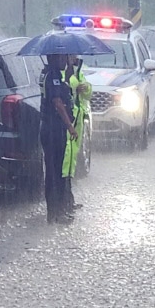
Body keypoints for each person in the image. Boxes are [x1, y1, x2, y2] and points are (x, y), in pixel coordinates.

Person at [39, 53, 78, 223]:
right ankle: (55, 212)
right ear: (55, 58)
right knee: (55, 171)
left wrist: (69, 72)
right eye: (63, 58)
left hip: (50, 128)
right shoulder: (53, 75)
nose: (66, 60)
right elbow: (57, 102)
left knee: (54, 170)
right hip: (53, 129)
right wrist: (70, 126)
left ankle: (56, 211)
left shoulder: (49, 73)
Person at [61, 57, 90, 211]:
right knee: (64, 163)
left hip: (77, 122)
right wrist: (74, 87)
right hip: (68, 123)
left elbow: (87, 94)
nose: (75, 57)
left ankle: (69, 200)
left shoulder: (78, 70)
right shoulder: (61, 72)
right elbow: (62, 94)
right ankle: (64, 202)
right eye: (71, 54)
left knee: (71, 162)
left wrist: (85, 88)